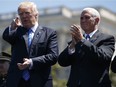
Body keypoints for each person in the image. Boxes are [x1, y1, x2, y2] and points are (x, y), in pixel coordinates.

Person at [2, 1, 58, 87]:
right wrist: (12, 27)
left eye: (27, 13)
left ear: (36, 14)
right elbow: (6, 36)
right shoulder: (17, 32)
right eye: (21, 14)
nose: (24, 16)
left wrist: (31, 62)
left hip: (40, 82)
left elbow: (53, 56)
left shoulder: (49, 33)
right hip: (16, 82)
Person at [58, 7, 115, 87]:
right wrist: (72, 46)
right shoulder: (75, 40)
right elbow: (62, 62)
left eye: (87, 17)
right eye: (81, 18)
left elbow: (103, 57)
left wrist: (82, 40)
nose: (83, 20)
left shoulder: (107, 39)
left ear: (97, 20)